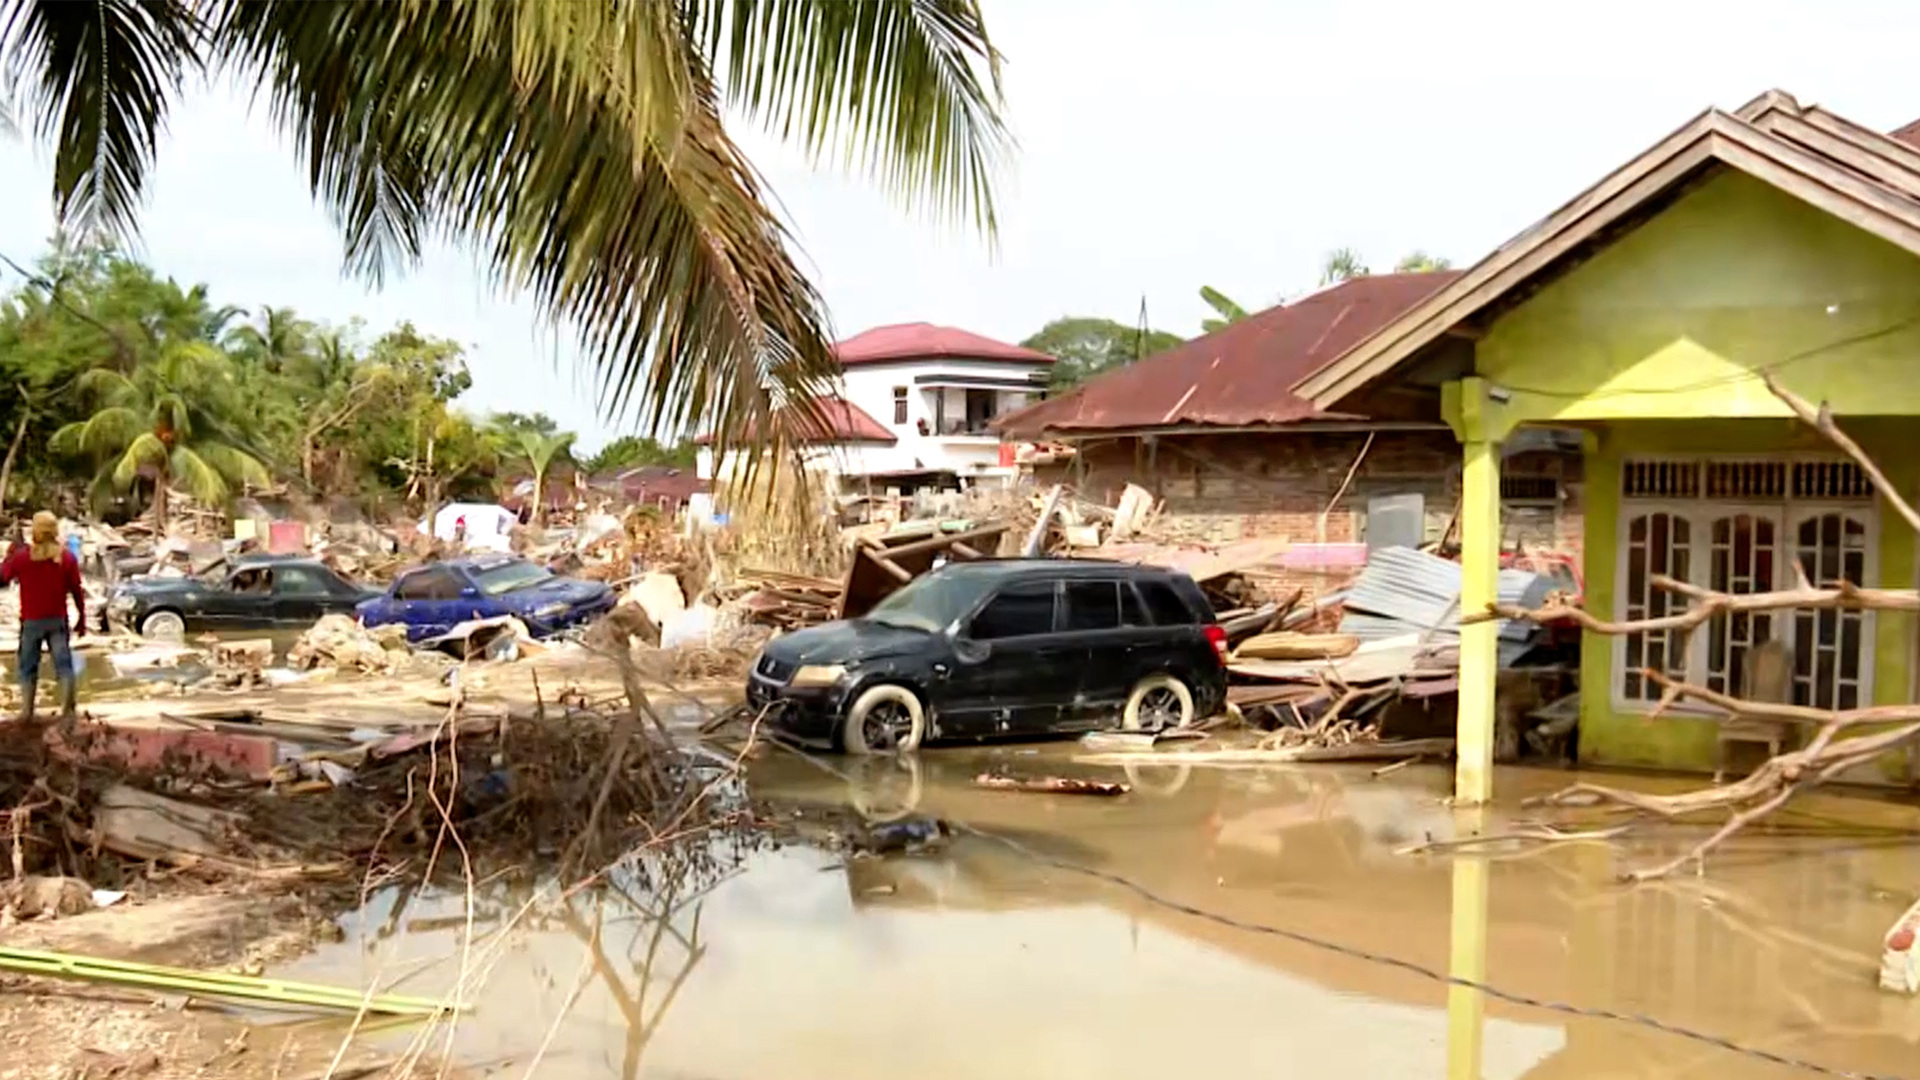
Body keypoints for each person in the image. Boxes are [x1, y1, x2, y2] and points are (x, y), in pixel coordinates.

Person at [0, 511, 85, 723]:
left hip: (31, 621)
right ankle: (68, 712)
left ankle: (27, 712)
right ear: (55, 531)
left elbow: (2, 577)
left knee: (28, 665)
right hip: (57, 621)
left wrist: (9, 555)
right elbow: (77, 590)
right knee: (64, 665)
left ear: (35, 531)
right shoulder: (66, 558)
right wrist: (82, 618)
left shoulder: (22, 558)